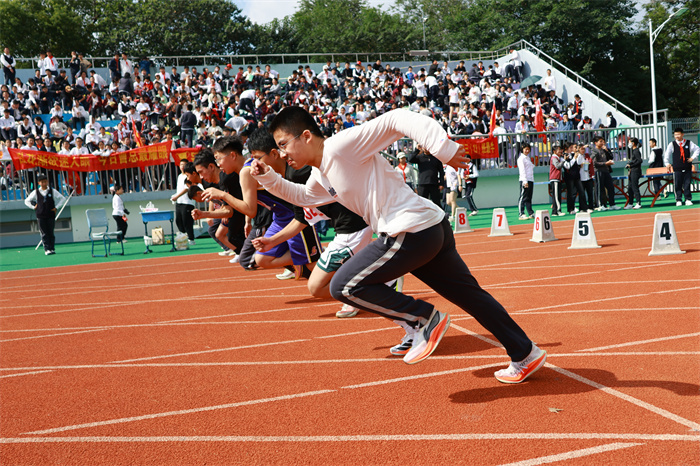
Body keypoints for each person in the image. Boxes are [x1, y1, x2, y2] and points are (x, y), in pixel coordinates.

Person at [250, 106, 546, 384]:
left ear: (306, 136)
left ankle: (422, 320)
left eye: (284, 144)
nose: (282, 153)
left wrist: (442, 148)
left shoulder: (341, 146)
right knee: (470, 296)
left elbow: (397, 119)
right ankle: (525, 353)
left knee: (344, 286)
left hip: (410, 229)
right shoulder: (320, 174)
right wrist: (269, 178)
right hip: (429, 228)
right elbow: (303, 197)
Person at [23, 173, 66, 255]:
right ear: (39, 183)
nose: (44, 183)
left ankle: (52, 248)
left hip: (50, 214)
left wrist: (56, 207)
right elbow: (26, 201)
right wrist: (33, 207)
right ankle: (47, 249)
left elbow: (62, 199)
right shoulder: (36, 192)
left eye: (45, 181)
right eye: (42, 182)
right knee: (44, 233)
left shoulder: (52, 191)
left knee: (51, 232)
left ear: (47, 182)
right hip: (40, 215)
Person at [664, 128, 700, 206]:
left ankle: (688, 199)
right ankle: (678, 199)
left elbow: (697, 149)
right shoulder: (672, 144)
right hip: (677, 168)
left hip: (687, 167)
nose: (677, 136)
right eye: (675, 135)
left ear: (682, 134)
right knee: (677, 184)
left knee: (687, 184)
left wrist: (693, 158)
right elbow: (667, 154)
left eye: (678, 134)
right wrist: (667, 163)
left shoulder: (689, 143)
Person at [170, 158, 196, 244]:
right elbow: (179, 189)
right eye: (181, 165)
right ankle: (183, 237)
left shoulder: (188, 176)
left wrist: (177, 196)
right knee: (178, 221)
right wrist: (175, 196)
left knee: (187, 221)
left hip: (187, 202)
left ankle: (191, 239)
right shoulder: (179, 176)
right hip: (179, 202)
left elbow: (186, 188)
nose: (182, 166)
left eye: (184, 165)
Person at [591, 136, 621, 210]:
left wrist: (607, 151)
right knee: (600, 189)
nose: (602, 143)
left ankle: (612, 204)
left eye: (603, 141)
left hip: (606, 171)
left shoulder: (604, 150)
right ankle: (600, 205)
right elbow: (594, 163)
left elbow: (611, 157)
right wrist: (605, 163)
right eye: (600, 141)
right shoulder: (594, 151)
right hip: (599, 171)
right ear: (596, 143)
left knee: (611, 187)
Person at [517, 143, 535, 220]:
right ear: (522, 149)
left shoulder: (528, 158)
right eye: (525, 149)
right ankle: (521, 213)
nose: (527, 151)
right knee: (523, 197)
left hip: (530, 179)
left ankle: (530, 212)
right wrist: (525, 181)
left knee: (529, 197)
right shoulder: (521, 159)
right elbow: (522, 171)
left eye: (528, 149)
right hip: (524, 180)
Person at [624, 137, 642, 209]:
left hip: (636, 171)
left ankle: (638, 203)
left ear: (633, 143)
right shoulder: (633, 151)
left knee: (635, 187)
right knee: (630, 188)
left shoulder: (636, 151)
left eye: (629, 142)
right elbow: (634, 160)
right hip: (632, 171)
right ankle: (630, 203)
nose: (628, 144)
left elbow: (639, 161)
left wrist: (631, 165)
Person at [549, 144, 565, 216]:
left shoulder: (557, 158)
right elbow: (558, 166)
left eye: (560, 149)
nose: (560, 151)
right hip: (555, 178)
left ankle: (555, 211)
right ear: (554, 151)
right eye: (558, 150)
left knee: (557, 195)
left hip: (557, 178)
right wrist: (563, 160)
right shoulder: (554, 158)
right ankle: (557, 211)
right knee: (556, 196)